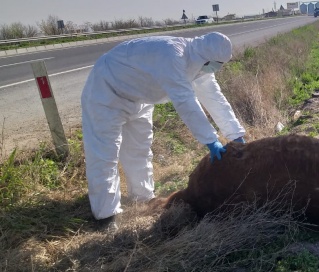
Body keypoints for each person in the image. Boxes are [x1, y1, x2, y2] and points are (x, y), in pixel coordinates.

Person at [81, 32, 246, 226]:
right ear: (206, 58)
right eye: (217, 64)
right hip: (107, 92)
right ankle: (106, 216)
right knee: (105, 154)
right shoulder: (172, 55)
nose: (217, 68)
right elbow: (185, 101)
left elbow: (215, 98)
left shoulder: (200, 67)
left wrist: (236, 134)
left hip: (139, 98)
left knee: (139, 150)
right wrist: (210, 140)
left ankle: (141, 199)